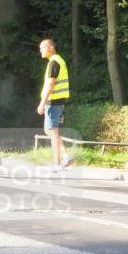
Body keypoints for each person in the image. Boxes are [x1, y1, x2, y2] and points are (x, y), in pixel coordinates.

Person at [36, 38, 73, 171]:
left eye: (42, 48)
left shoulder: (54, 62)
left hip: (53, 101)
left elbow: (51, 83)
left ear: (50, 47)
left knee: (52, 131)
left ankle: (58, 163)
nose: (40, 51)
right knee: (50, 130)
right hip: (58, 101)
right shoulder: (59, 60)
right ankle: (65, 156)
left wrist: (42, 102)